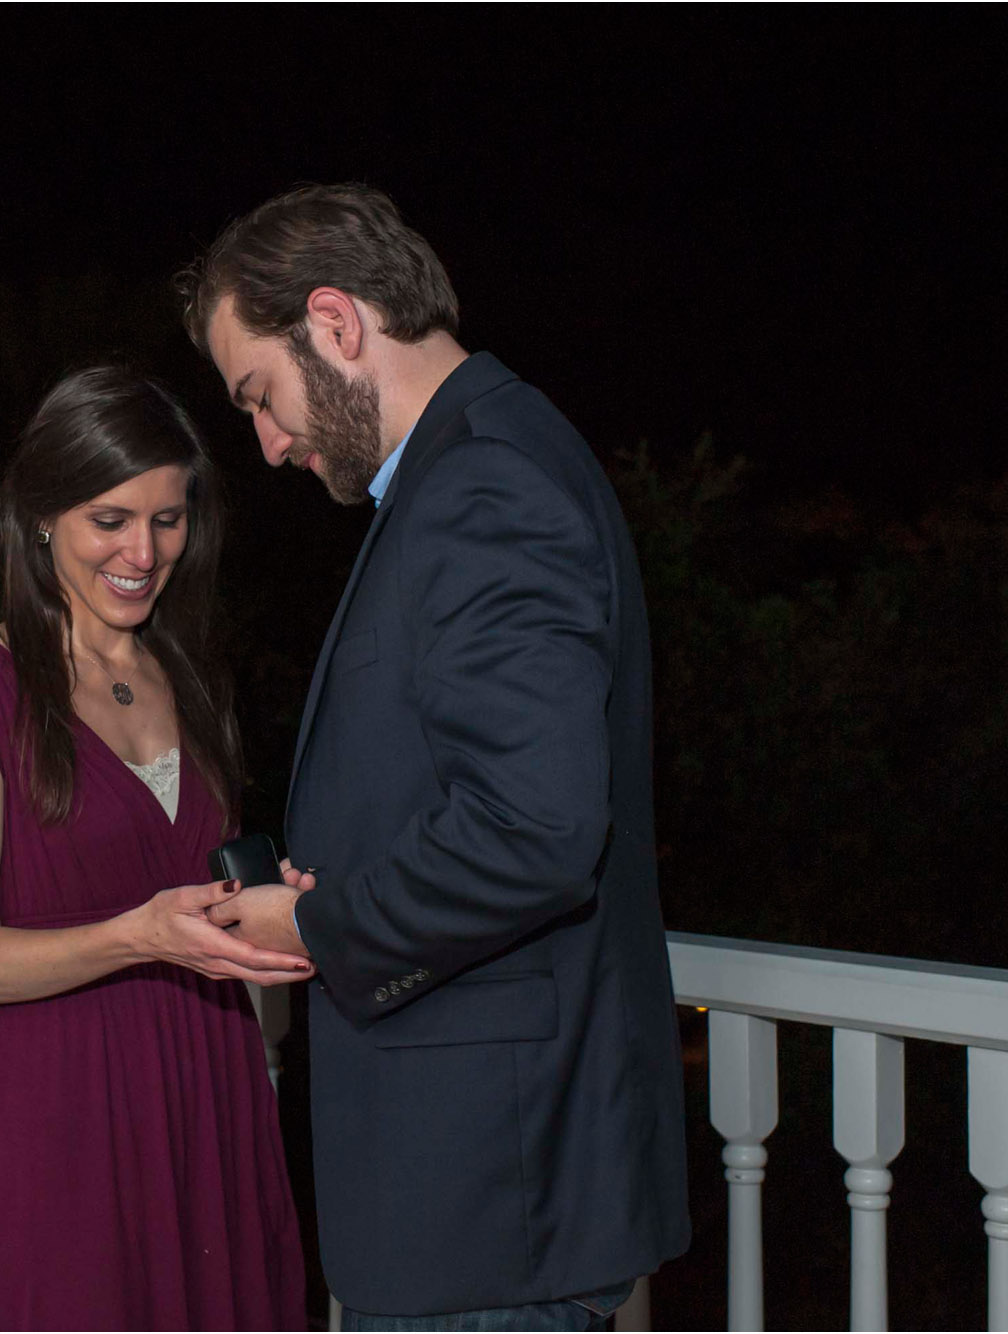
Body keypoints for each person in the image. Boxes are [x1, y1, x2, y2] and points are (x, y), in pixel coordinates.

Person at [179, 185, 691, 1330]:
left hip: (487, 1208)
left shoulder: (483, 482)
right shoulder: (467, 470)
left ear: (335, 322)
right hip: (473, 1196)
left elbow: (535, 827)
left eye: (258, 394)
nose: (265, 444)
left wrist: (313, 926)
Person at [0, 365, 309, 1331]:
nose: (143, 550)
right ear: (43, 515)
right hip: (64, 1122)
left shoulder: (191, 673)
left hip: (213, 1097)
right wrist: (140, 936)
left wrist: (257, 908)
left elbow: (193, 884)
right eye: (110, 519)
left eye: (168, 520)